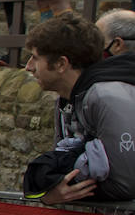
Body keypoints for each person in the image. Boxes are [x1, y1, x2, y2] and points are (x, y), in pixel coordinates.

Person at [22, 12, 135, 204]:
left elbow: (127, 182)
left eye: (35, 58)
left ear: (61, 64)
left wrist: (68, 192)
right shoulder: (65, 99)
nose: (28, 67)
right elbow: (61, 156)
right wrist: (53, 189)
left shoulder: (105, 96)